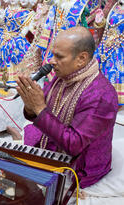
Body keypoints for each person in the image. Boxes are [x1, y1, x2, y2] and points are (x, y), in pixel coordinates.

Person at [16, 26, 119, 189]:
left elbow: (74, 145)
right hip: (50, 151)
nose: (51, 61)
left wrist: (39, 108)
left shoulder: (101, 96)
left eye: (59, 56)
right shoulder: (62, 78)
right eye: (52, 54)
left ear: (81, 59)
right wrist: (30, 107)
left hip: (80, 170)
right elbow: (41, 113)